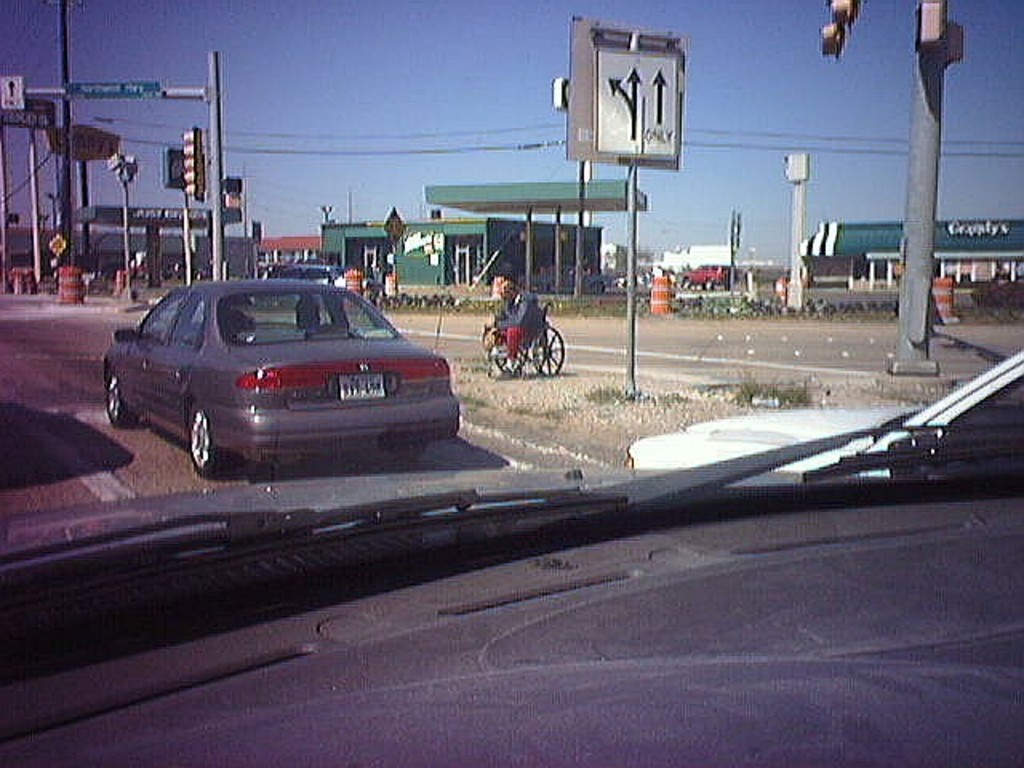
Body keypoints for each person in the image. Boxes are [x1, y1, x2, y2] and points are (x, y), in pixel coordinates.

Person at [492, 275, 544, 362]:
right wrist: (496, 322)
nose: (504, 297)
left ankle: (511, 360)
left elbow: (519, 321)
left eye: (505, 293)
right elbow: (506, 316)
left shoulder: (525, 300)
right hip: (518, 327)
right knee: (498, 331)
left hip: (529, 328)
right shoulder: (509, 301)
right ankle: (497, 350)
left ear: (512, 291)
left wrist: (500, 324)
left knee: (513, 331)